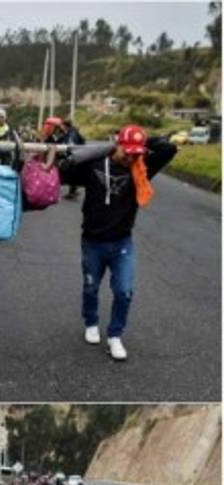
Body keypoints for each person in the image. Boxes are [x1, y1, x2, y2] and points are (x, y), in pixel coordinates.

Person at [56, 124, 177, 361]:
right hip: (92, 242)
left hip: (122, 243)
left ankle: (115, 335)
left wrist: (142, 141)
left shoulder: (141, 168)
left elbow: (169, 149)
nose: (131, 157)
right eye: (127, 152)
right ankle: (91, 322)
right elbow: (64, 172)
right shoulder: (94, 166)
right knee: (91, 287)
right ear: (117, 146)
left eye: (136, 153)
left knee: (124, 291)